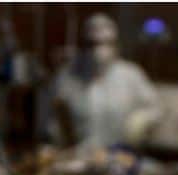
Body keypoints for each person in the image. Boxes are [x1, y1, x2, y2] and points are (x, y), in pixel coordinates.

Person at [50, 13, 162, 150]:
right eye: (93, 44)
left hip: (121, 157)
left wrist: (141, 121)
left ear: (115, 44)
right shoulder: (67, 77)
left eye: (107, 43)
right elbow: (53, 119)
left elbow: (155, 108)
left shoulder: (131, 75)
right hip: (78, 157)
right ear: (83, 44)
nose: (99, 50)